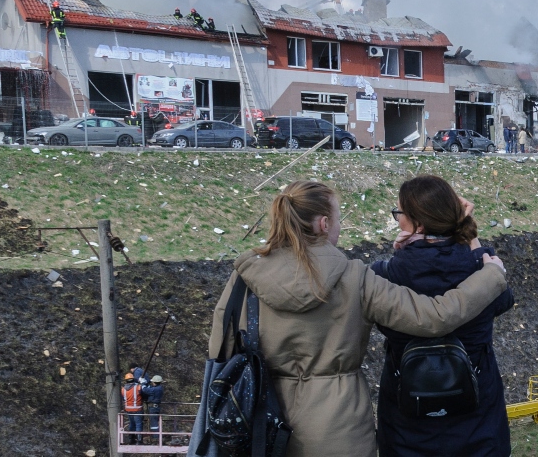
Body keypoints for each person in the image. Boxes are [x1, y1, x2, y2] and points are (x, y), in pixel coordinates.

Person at [206, 180, 508, 457]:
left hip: (260, 422)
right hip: (338, 426)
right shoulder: (355, 278)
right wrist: (489, 271)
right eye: (339, 220)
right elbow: (434, 317)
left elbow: (220, 351)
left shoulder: (245, 276)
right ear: (324, 224)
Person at [371, 175, 513, 456]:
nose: (397, 218)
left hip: (407, 427)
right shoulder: (484, 268)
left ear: (418, 224)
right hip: (478, 423)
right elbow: (504, 299)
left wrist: (401, 254)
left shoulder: (385, 274)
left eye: (399, 213)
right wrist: (472, 239)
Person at [121, 373, 144, 444]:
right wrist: (143, 383)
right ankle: (139, 440)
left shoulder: (123, 389)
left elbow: (123, 398)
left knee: (131, 424)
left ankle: (131, 439)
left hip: (128, 409)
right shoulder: (138, 387)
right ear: (133, 379)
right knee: (138, 424)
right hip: (137, 409)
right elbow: (144, 393)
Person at [143, 375, 165, 443]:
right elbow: (150, 389)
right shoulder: (159, 388)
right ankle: (156, 436)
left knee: (154, 423)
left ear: (154, 382)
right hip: (156, 407)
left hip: (153, 408)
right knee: (155, 422)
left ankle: (155, 437)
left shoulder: (155, 389)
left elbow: (145, 390)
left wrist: (143, 384)